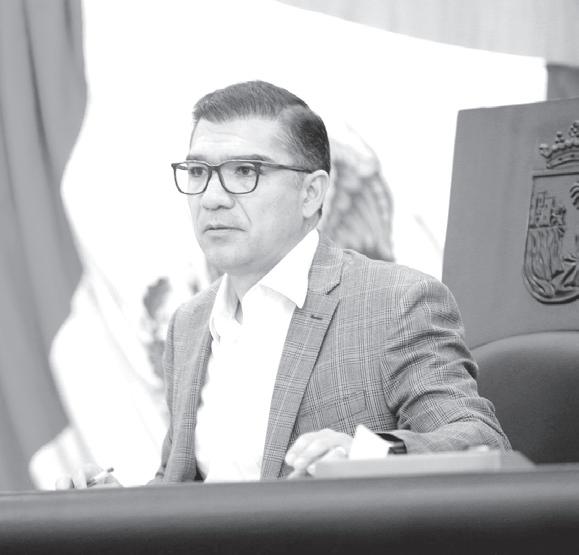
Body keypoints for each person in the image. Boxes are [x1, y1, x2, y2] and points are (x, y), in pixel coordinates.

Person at [56, 80, 509, 489]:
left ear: (311, 193)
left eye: (244, 171)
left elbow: (480, 442)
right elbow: (186, 486)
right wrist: (118, 505)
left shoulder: (395, 303)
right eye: (197, 172)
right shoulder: (189, 323)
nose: (212, 198)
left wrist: (368, 456)